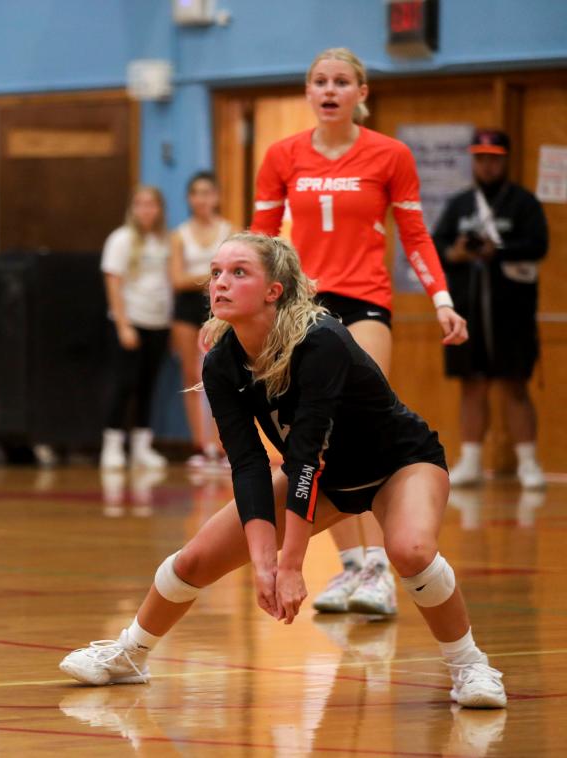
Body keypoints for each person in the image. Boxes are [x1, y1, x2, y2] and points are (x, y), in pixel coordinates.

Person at [60, 233, 506, 710]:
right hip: (329, 477)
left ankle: (471, 666)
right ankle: (129, 655)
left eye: (238, 273)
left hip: (399, 464)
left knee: (410, 550)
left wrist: (290, 564)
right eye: (215, 273)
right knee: (194, 560)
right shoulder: (221, 362)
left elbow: (306, 455)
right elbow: (249, 464)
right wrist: (263, 564)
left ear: (274, 289)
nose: (220, 284)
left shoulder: (321, 340)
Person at [251, 47, 466, 617]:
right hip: (302, 307)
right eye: (319, 81)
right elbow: (260, 243)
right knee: (309, 439)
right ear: (308, 91)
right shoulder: (282, 156)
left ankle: (380, 569)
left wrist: (442, 300)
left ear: (361, 93)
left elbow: (416, 237)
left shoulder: (389, 154)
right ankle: (355, 567)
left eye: (341, 82)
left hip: (365, 303)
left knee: (353, 424)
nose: (329, 90)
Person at [433, 129, 549, 490]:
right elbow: (436, 245)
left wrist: (496, 251)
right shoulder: (459, 204)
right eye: (480, 157)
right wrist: (456, 254)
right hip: (466, 310)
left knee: (515, 385)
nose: (486, 164)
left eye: (493, 157)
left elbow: (538, 244)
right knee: (471, 384)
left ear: (505, 159)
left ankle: (528, 462)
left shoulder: (523, 203)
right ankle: (470, 460)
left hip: (511, 313)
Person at [99, 186, 172, 470]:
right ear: (132, 208)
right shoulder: (121, 239)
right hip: (130, 321)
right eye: (140, 204)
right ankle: (112, 444)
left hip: (158, 322)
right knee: (123, 383)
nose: (146, 210)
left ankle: (142, 446)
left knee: (148, 385)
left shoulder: (165, 240)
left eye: (152, 204)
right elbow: (113, 282)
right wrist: (123, 325)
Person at [170, 171, 232, 469]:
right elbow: (177, 279)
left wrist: (214, 279)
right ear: (188, 198)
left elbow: (234, 272)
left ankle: (223, 447)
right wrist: (211, 276)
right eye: (196, 193)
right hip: (186, 308)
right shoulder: (179, 234)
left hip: (218, 305)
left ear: (216, 197)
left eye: (207, 193)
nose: (202, 199)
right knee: (191, 376)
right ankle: (200, 446)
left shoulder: (228, 231)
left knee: (221, 375)